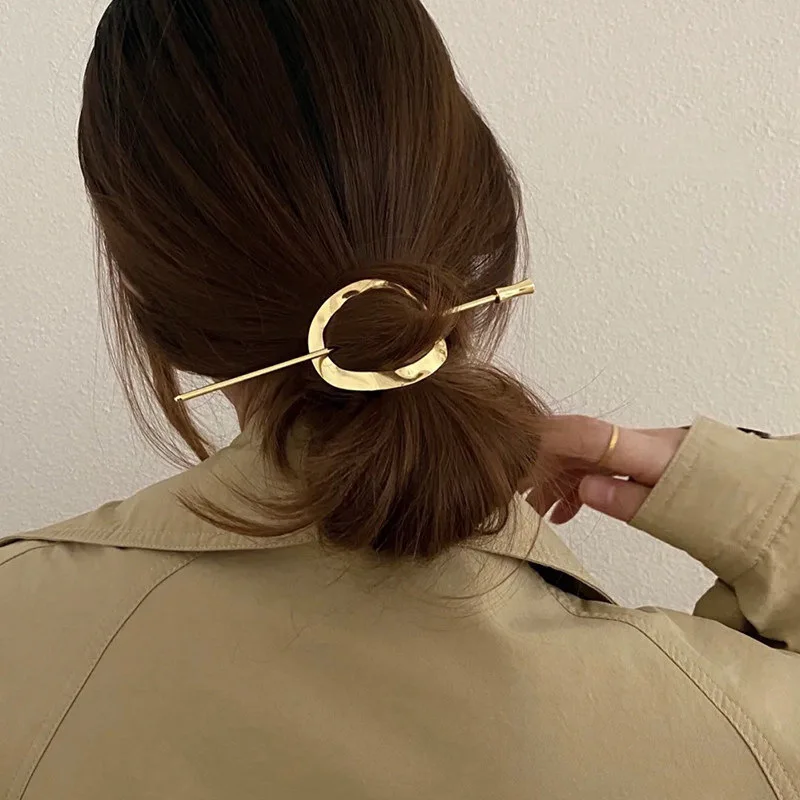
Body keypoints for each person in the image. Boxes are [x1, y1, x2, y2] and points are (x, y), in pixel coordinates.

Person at [1, 0, 798, 797]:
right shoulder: (743, 728)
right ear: (485, 228)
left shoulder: (21, 643)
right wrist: (763, 509)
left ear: (147, 295)